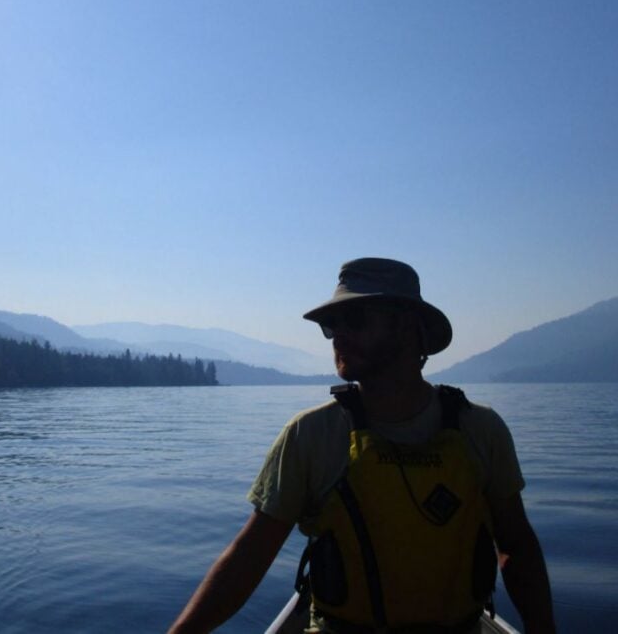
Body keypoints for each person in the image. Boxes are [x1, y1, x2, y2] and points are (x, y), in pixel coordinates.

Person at [169, 258, 555, 633]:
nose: (338, 334)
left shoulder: (481, 430)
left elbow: (516, 546)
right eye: (331, 326)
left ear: (407, 327)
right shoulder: (310, 435)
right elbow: (249, 557)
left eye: (354, 320)